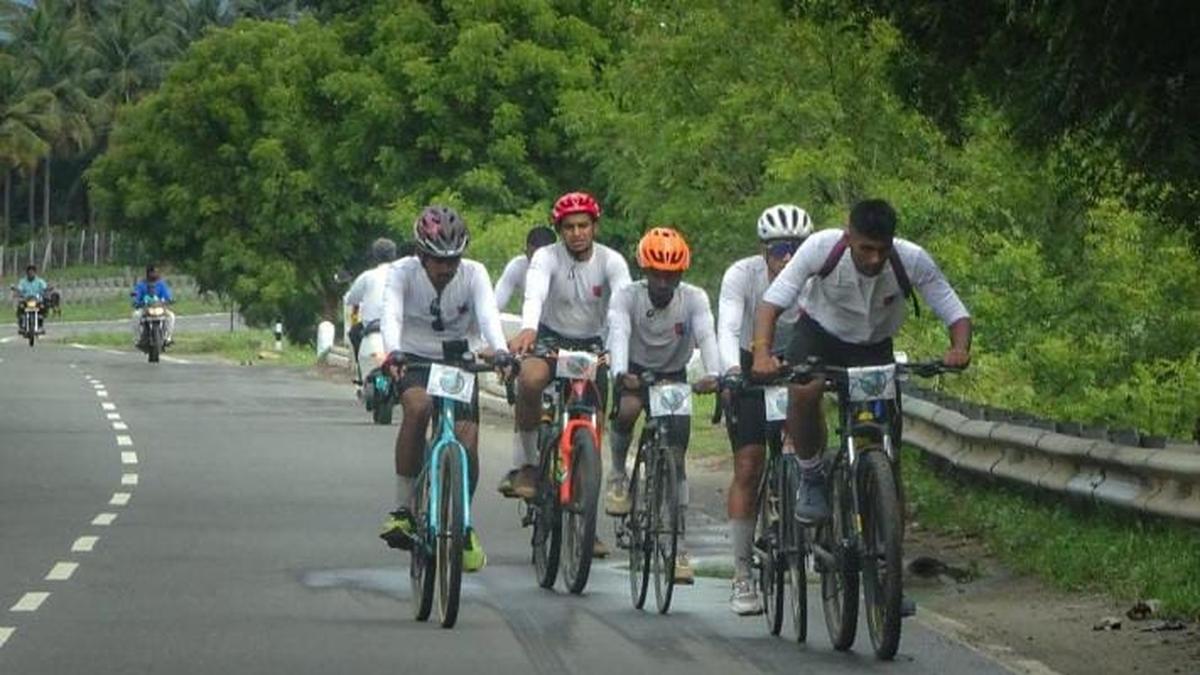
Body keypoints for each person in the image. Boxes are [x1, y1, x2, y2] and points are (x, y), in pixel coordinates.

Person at [750, 199, 971, 614]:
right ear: (848, 236)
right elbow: (772, 303)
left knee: (888, 456)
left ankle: (889, 576)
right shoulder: (820, 248)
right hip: (819, 335)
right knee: (803, 390)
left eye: (881, 250)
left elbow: (954, 310)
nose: (874, 259)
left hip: (874, 347)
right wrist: (762, 352)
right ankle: (812, 474)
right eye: (865, 249)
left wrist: (959, 348)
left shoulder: (911, 259)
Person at [378, 206, 510, 573]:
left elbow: (488, 317)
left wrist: (500, 351)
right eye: (438, 260)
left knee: (467, 444)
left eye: (453, 259)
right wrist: (393, 352)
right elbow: (391, 315)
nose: (446, 268)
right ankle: (404, 509)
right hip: (414, 359)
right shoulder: (401, 274)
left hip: (457, 361)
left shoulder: (475, 274)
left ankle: (463, 526)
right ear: (420, 254)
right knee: (418, 410)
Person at [607, 227, 721, 584]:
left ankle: (678, 546)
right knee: (626, 411)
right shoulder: (627, 297)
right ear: (644, 271)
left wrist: (715, 374)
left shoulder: (695, 298)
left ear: (681, 274)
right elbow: (619, 333)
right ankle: (617, 475)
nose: (662, 282)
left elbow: (707, 335)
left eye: (670, 275)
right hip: (636, 374)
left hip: (673, 376)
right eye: (656, 274)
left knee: (676, 456)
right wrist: (621, 371)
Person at [718, 204, 812, 615]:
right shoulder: (742, 275)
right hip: (749, 367)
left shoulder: (816, 278)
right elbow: (727, 324)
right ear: (763, 251)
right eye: (778, 250)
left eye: (796, 248)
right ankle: (742, 575)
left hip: (795, 362)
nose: (787, 258)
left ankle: (803, 517)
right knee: (750, 465)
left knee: (805, 445)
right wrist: (732, 370)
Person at [507, 193, 631, 499]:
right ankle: (527, 463)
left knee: (594, 428)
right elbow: (534, 295)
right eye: (569, 227)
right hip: (551, 338)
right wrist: (528, 328)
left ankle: (584, 515)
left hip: (593, 343)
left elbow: (622, 308)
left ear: (595, 227)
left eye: (583, 226)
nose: (577, 234)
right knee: (529, 380)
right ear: (560, 230)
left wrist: (619, 353)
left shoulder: (612, 261)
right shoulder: (546, 256)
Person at [494, 225, 558, 496]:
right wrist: (496, 345)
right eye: (533, 259)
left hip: (565, 335)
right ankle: (522, 463)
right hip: (533, 334)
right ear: (525, 253)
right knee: (524, 385)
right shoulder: (517, 268)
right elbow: (494, 304)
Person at [343, 238, 399, 383]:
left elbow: (351, 298)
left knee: (354, 333)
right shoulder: (403, 274)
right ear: (394, 255)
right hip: (398, 325)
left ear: (375, 256)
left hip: (372, 325)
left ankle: (360, 373)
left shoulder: (368, 276)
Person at [131, 265, 176, 345]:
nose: (155, 274)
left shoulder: (161, 284)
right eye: (153, 272)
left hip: (160, 308)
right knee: (136, 315)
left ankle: (167, 337)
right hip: (145, 308)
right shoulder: (141, 285)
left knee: (171, 316)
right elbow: (136, 294)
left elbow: (167, 294)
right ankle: (137, 338)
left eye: (156, 272)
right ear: (148, 273)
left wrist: (169, 299)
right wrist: (136, 301)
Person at [13, 264, 49, 333]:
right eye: (29, 272)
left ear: (35, 273)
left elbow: (45, 288)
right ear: (27, 273)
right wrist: (16, 291)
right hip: (26, 300)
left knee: (42, 307)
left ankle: (40, 325)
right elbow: (19, 289)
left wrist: (47, 290)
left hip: (37, 300)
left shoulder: (40, 281)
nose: (31, 274)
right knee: (20, 307)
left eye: (32, 272)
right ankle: (22, 325)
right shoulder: (23, 282)